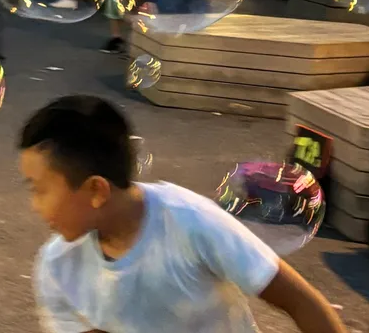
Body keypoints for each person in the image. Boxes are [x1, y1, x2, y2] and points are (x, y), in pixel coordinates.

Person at [20, 95, 347, 333]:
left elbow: (302, 302)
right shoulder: (57, 265)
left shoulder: (191, 220)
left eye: (40, 189)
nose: (35, 204)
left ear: (96, 191)